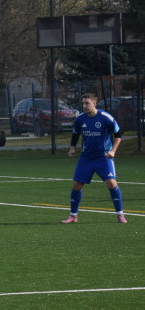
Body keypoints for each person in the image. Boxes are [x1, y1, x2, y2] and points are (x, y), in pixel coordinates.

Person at [63, 93, 126, 224]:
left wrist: (113, 151)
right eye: (83, 103)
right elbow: (75, 134)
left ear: (94, 104)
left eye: (87, 103)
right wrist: (72, 148)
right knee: (76, 185)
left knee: (111, 183)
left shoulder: (105, 118)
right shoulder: (80, 119)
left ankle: (120, 214)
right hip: (86, 157)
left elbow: (118, 135)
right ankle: (73, 215)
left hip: (103, 157)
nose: (84, 106)